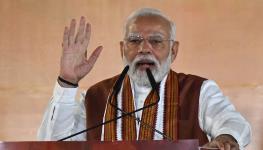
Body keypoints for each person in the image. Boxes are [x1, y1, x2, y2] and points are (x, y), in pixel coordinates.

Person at [38, 8, 251, 150]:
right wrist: (67, 81)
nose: (143, 49)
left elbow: (232, 123)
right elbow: (53, 144)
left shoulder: (198, 90)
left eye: (156, 41)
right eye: (134, 40)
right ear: (123, 49)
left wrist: (226, 139)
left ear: (173, 51)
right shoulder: (95, 97)